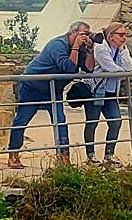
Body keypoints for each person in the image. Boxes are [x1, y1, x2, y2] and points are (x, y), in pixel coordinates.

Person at [6, 21, 92, 169]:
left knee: (60, 121)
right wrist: (76, 47)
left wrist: (90, 49)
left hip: (53, 89)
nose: (85, 38)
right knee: (22, 120)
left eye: (87, 34)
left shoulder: (81, 48)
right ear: (72, 33)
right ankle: (13, 154)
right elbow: (69, 68)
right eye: (82, 34)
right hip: (32, 86)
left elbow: (89, 68)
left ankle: (64, 157)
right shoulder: (57, 45)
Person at [82, 21, 132, 165]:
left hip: (110, 92)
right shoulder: (101, 48)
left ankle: (109, 156)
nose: (124, 38)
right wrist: (124, 73)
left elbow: (129, 66)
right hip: (96, 91)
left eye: (125, 35)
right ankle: (90, 156)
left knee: (116, 122)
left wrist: (123, 50)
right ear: (111, 36)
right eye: (121, 35)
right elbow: (110, 68)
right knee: (92, 122)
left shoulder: (121, 49)